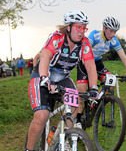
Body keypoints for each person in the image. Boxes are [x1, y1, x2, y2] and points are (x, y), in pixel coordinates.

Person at [26, 10, 98, 151]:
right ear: (69, 27)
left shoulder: (85, 43)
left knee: (75, 105)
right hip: (42, 75)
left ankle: (64, 137)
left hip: (62, 78)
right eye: (78, 27)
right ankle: (29, 149)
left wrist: (94, 87)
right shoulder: (57, 38)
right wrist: (44, 78)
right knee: (42, 115)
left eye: (84, 28)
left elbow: (90, 66)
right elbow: (45, 56)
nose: (82, 31)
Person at [76, 16, 126, 125]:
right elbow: (84, 51)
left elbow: (123, 56)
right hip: (84, 62)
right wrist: (90, 69)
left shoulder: (114, 41)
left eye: (115, 32)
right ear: (104, 28)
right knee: (81, 93)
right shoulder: (95, 35)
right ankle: (78, 121)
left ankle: (96, 103)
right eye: (110, 31)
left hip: (97, 62)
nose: (112, 34)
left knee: (111, 82)